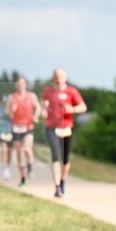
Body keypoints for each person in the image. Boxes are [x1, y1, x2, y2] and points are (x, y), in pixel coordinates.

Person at [41, 68, 87, 198]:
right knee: (55, 155)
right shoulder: (48, 91)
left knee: (65, 159)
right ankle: (56, 186)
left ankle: (62, 181)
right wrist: (43, 110)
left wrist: (72, 109)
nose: (58, 78)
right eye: (56, 76)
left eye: (61, 76)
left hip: (66, 127)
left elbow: (83, 107)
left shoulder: (72, 91)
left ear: (65, 77)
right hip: (51, 127)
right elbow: (44, 104)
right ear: (53, 77)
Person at [8, 76, 41, 186]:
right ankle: (22, 178)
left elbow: (38, 107)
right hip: (16, 127)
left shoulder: (31, 96)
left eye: (22, 84)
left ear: (25, 85)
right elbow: (7, 112)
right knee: (19, 153)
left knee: (27, 148)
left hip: (28, 126)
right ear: (16, 86)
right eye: (18, 84)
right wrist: (11, 111)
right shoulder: (12, 97)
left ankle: (30, 167)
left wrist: (36, 116)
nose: (20, 86)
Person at [0, 99, 13, 180]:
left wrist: (9, 113)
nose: (5, 103)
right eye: (4, 102)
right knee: (4, 150)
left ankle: (7, 167)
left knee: (9, 151)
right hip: (1, 131)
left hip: (11, 131)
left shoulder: (13, 108)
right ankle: (5, 168)